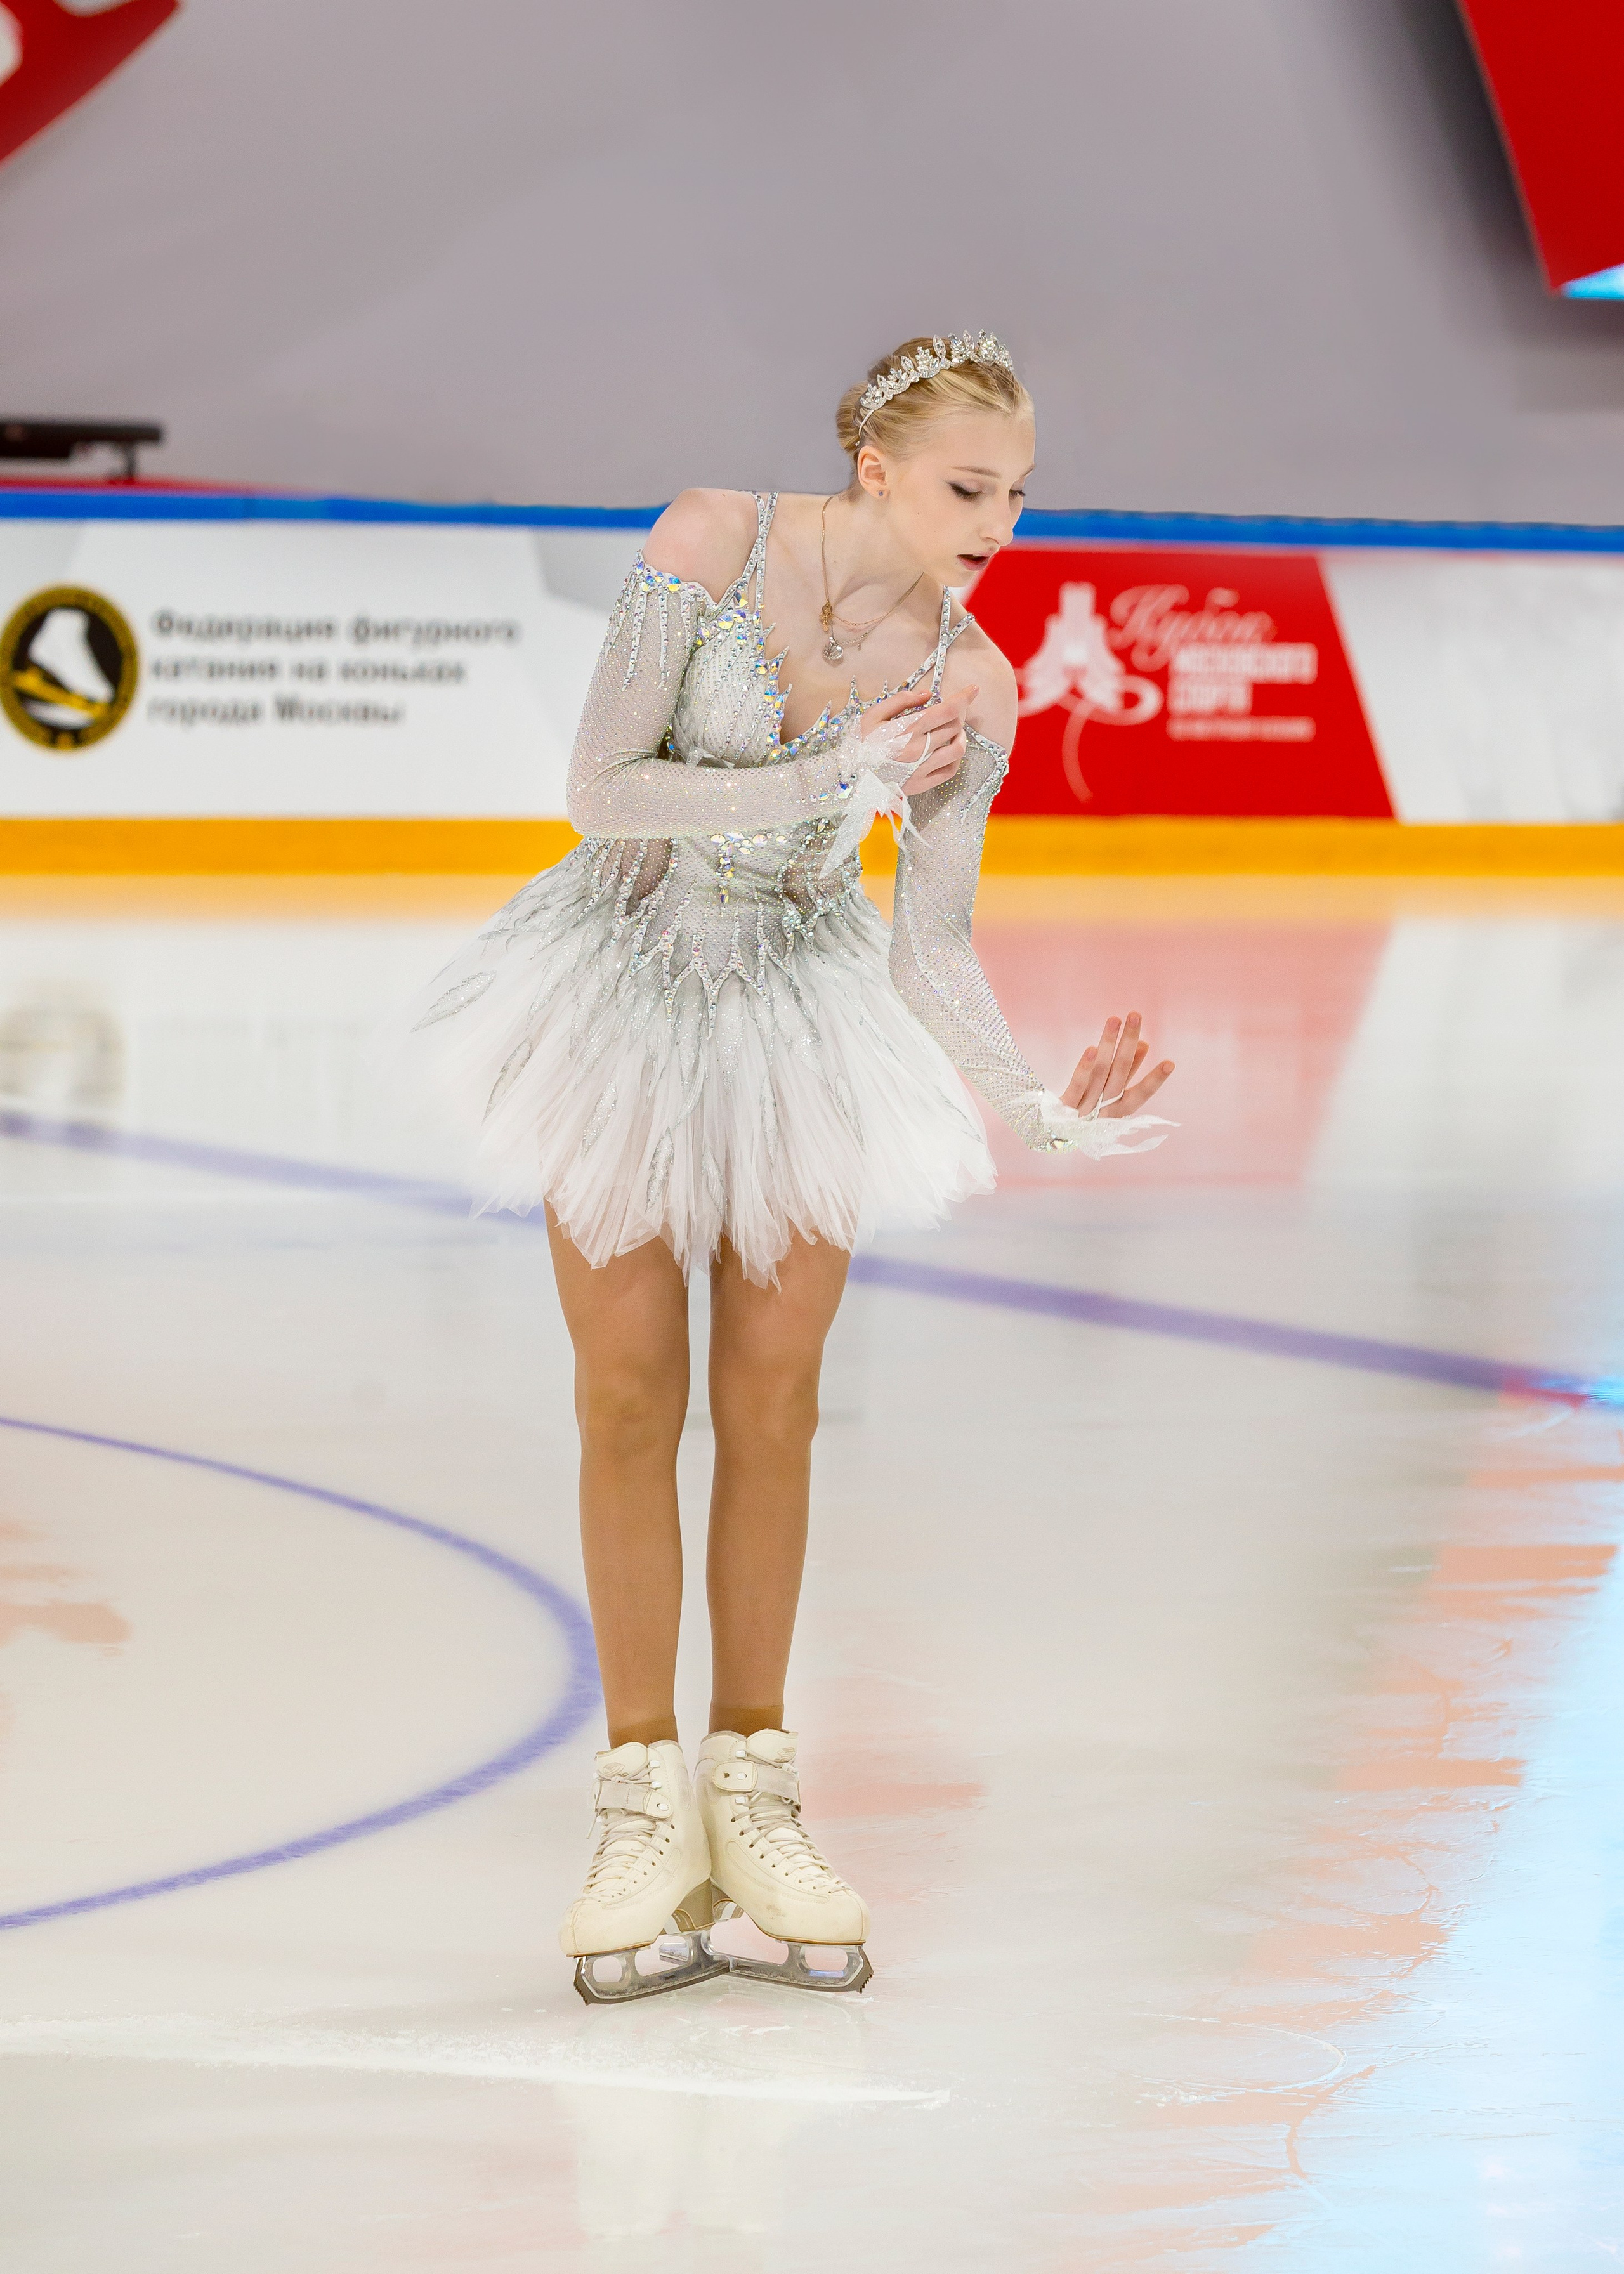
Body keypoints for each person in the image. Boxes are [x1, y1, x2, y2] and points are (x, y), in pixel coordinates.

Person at [403, 332, 1175, 2003]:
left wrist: (1034, 1102)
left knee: (771, 1404)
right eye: (972, 487)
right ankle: (637, 1797)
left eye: (1021, 493)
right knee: (626, 1395)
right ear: (875, 467)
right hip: (615, 986)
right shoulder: (709, 547)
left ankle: (753, 1791)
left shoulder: (975, 682)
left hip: (804, 1010)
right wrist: (835, 769)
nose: (1001, 522)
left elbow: (934, 942)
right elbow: (601, 790)